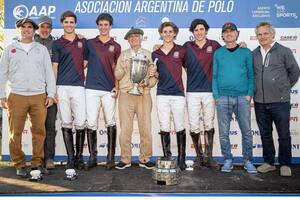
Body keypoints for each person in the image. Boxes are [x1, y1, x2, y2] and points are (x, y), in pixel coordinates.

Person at [0, 17, 56, 177]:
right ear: (19, 29)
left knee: (39, 131)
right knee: (14, 132)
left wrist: (51, 94)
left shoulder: (41, 50)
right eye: (23, 27)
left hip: (39, 95)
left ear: (34, 30)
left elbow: (49, 74)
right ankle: (19, 163)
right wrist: (1, 95)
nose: (26, 30)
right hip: (16, 95)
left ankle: (37, 162)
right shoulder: (10, 49)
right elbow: (2, 73)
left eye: (30, 27)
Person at [253, 22, 300, 177]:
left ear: (272, 34)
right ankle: (269, 162)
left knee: (284, 134)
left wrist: (283, 88)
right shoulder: (254, 53)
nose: (262, 37)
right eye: (259, 34)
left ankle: (285, 164)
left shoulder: (284, 51)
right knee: (265, 134)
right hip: (260, 102)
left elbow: (294, 72)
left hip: (280, 102)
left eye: (265, 33)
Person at [212, 22, 257, 173]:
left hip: (242, 98)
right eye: (226, 32)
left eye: (232, 31)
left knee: (246, 131)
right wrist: (217, 96)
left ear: (237, 33)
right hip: (223, 98)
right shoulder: (218, 53)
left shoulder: (246, 52)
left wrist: (249, 94)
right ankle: (228, 159)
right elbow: (215, 76)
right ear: (222, 35)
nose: (229, 34)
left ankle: (248, 161)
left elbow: (251, 75)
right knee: (224, 133)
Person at [114, 27, 157, 170]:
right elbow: (117, 76)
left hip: (144, 94)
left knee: (146, 128)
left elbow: (154, 77)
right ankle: (125, 158)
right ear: (128, 40)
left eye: (136, 37)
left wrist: (148, 82)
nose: (134, 39)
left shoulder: (149, 55)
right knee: (126, 128)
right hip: (126, 94)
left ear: (141, 38)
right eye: (131, 37)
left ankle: (145, 158)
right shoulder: (123, 55)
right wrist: (123, 68)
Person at [84, 13, 121, 170]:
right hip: (91, 88)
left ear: (110, 26)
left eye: (106, 25)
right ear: (98, 26)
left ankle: (110, 158)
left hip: (108, 89)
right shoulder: (89, 43)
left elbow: (118, 70)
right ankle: (93, 157)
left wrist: (117, 87)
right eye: (101, 24)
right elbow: (83, 63)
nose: (103, 27)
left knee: (110, 122)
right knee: (91, 122)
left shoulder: (116, 46)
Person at [52, 11, 87, 171]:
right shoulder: (57, 43)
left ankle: (79, 158)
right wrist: (53, 90)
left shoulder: (83, 42)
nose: (69, 25)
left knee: (80, 123)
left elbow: (85, 62)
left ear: (75, 24)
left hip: (79, 86)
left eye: (71, 22)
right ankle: (70, 158)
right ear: (62, 23)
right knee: (66, 122)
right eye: (66, 22)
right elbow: (55, 67)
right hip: (62, 87)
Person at [183, 19, 221, 169]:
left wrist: (241, 45)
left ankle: (209, 157)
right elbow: (176, 56)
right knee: (193, 124)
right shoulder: (187, 46)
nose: (199, 32)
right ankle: (199, 157)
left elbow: (228, 53)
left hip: (209, 91)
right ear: (193, 32)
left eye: (201, 29)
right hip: (192, 91)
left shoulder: (215, 45)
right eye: (196, 30)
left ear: (206, 30)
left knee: (208, 123)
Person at [152, 22, 187, 171]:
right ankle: (167, 156)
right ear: (161, 34)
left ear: (174, 33)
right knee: (164, 126)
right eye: (164, 31)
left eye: (170, 31)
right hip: (162, 94)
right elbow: (157, 73)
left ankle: (181, 159)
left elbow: (186, 68)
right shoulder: (155, 53)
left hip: (178, 94)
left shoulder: (182, 50)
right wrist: (154, 74)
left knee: (179, 126)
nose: (167, 34)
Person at [34, 15, 57, 170]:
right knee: (37, 127)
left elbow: (56, 68)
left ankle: (49, 158)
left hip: (50, 91)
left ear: (51, 29)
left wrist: (53, 92)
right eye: (42, 26)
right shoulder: (30, 43)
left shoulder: (56, 44)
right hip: (34, 92)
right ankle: (38, 158)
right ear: (37, 28)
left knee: (49, 126)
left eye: (48, 27)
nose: (45, 30)